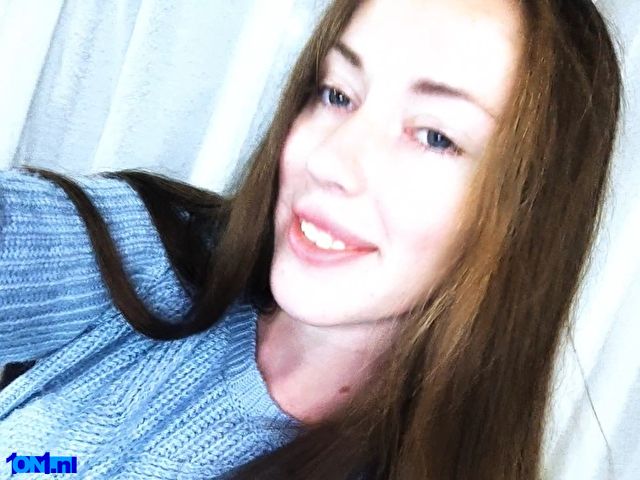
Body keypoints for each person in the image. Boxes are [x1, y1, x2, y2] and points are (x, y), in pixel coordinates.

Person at [0, 0, 621, 478]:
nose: (328, 159)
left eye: (436, 136)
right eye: (337, 94)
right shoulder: (167, 251)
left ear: (525, 218)